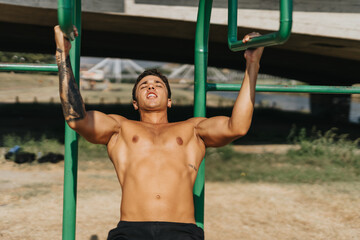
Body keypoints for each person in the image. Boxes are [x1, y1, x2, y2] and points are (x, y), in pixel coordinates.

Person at [54, 25, 264, 240]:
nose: (151, 86)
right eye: (143, 85)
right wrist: (62, 54)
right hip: (131, 230)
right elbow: (76, 118)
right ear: (135, 103)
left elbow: (237, 127)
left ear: (170, 101)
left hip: (181, 231)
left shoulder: (193, 129)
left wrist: (252, 64)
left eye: (158, 84)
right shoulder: (120, 128)